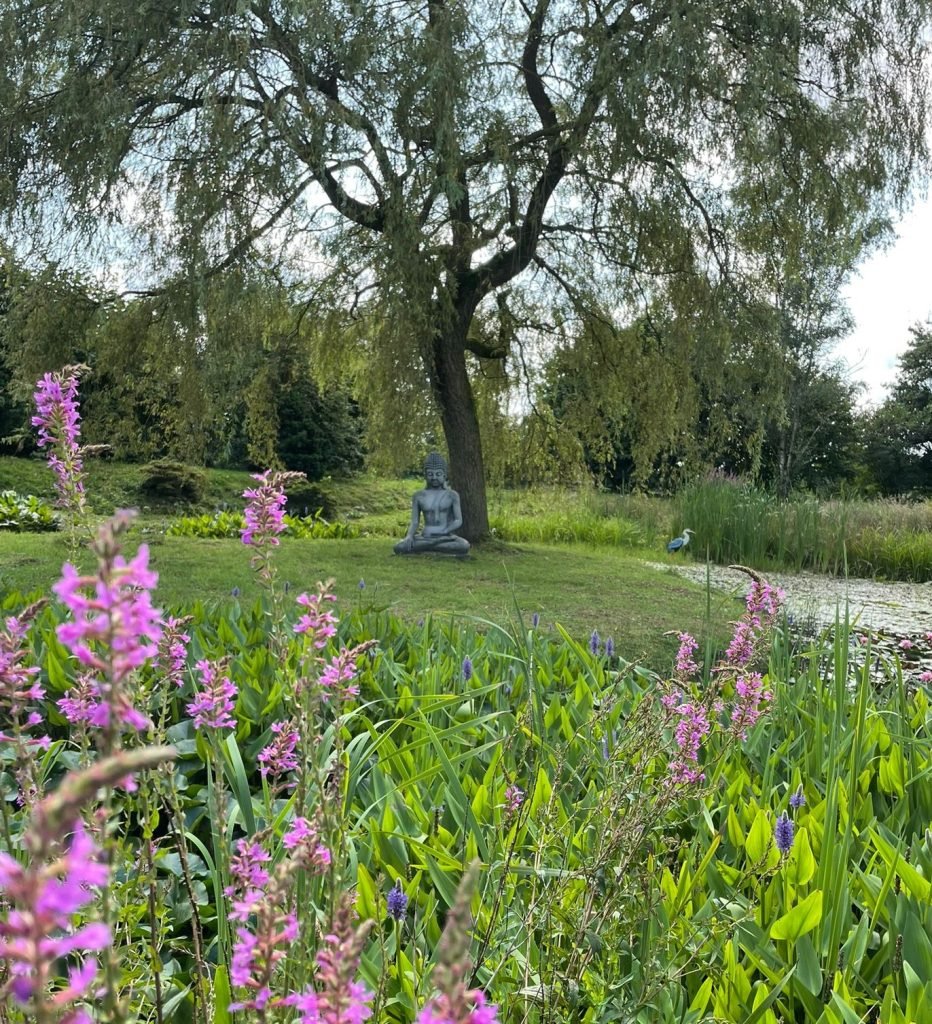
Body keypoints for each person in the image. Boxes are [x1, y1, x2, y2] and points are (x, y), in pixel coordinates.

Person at [394, 452, 471, 556]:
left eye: (438, 474)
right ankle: (433, 545)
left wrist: (445, 531)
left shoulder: (452, 495)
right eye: (430, 474)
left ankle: (428, 546)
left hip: (446, 537)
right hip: (426, 536)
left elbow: (458, 520)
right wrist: (409, 536)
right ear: (425, 475)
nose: (434, 477)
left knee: (464, 545)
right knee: (399, 547)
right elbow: (415, 522)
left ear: (444, 475)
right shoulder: (419, 496)